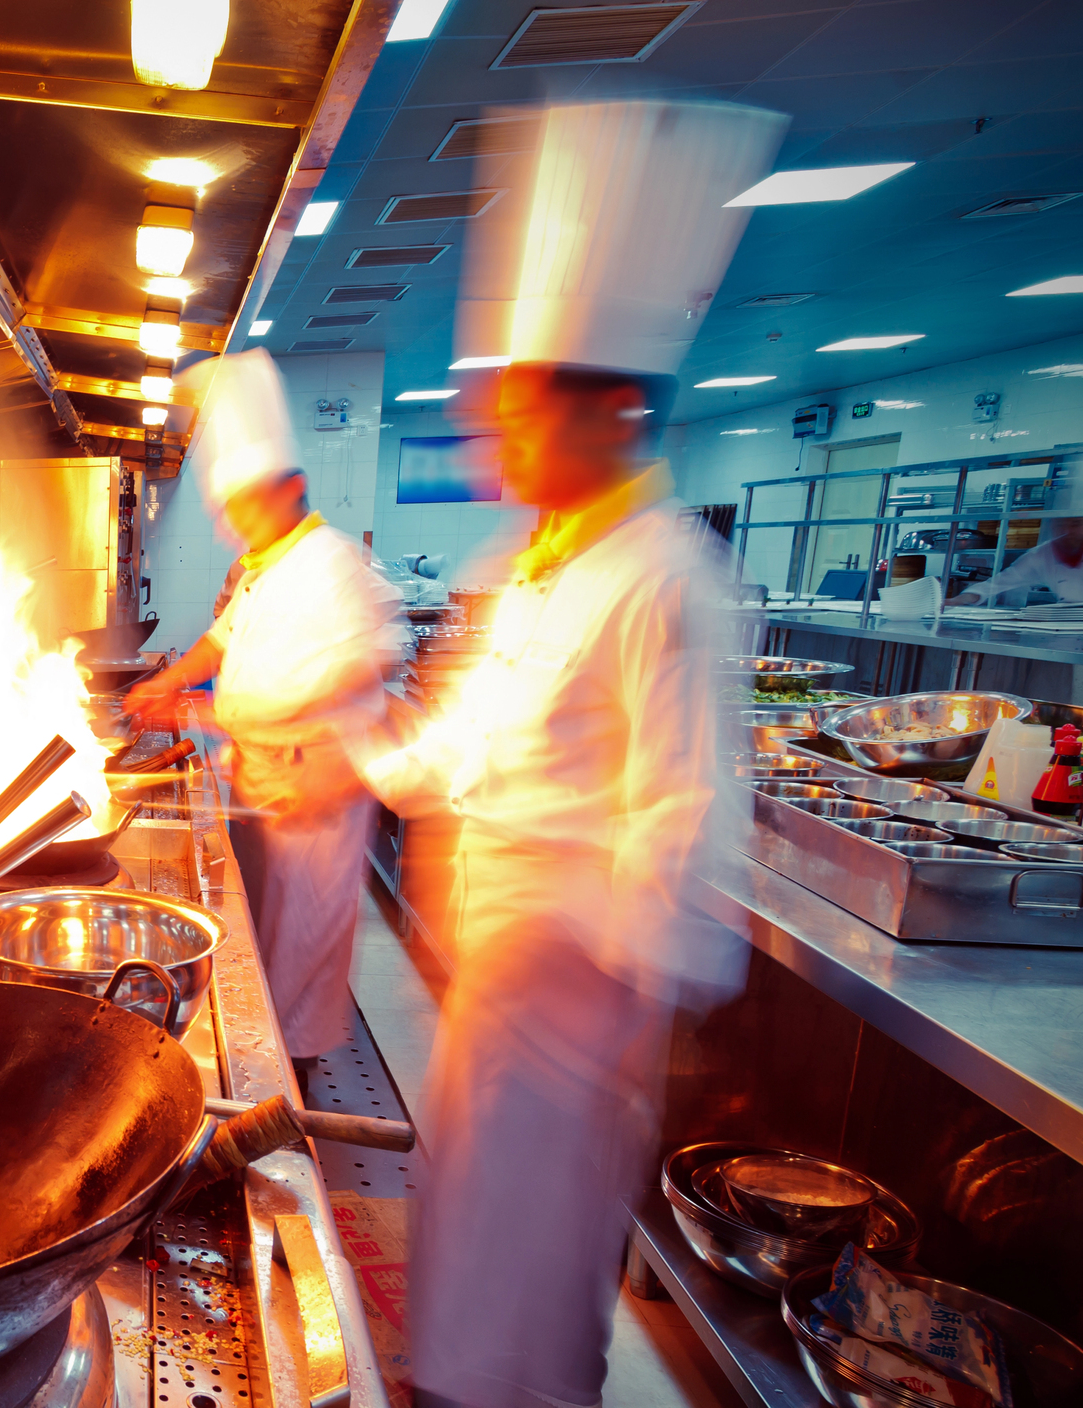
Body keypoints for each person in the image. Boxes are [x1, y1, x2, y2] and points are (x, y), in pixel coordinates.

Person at [354, 98, 778, 1408]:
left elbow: (688, 845)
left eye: (523, 409)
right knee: (463, 1286)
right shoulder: (534, 568)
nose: (500, 437)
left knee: (530, 1332)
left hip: (574, 1030)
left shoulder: (670, 580)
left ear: (610, 413)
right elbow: (469, 751)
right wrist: (362, 753)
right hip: (488, 1006)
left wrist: (575, 948)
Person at [126, 351, 398, 1076]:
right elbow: (223, 640)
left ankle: (290, 1098)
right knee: (259, 957)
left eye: (242, 506)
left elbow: (365, 667)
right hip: (262, 788)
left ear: (294, 488)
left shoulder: (337, 568)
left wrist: (194, 714)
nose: (229, 526)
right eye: (227, 510)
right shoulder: (266, 563)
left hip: (314, 800)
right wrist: (170, 686)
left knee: (298, 965)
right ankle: (267, 1067)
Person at [943, 515, 1083, 605]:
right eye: (1060, 525)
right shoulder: (1042, 554)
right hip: (1065, 622)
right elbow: (1000, 582)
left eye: (1075, 524)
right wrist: (960, 599)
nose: (1066, 530)